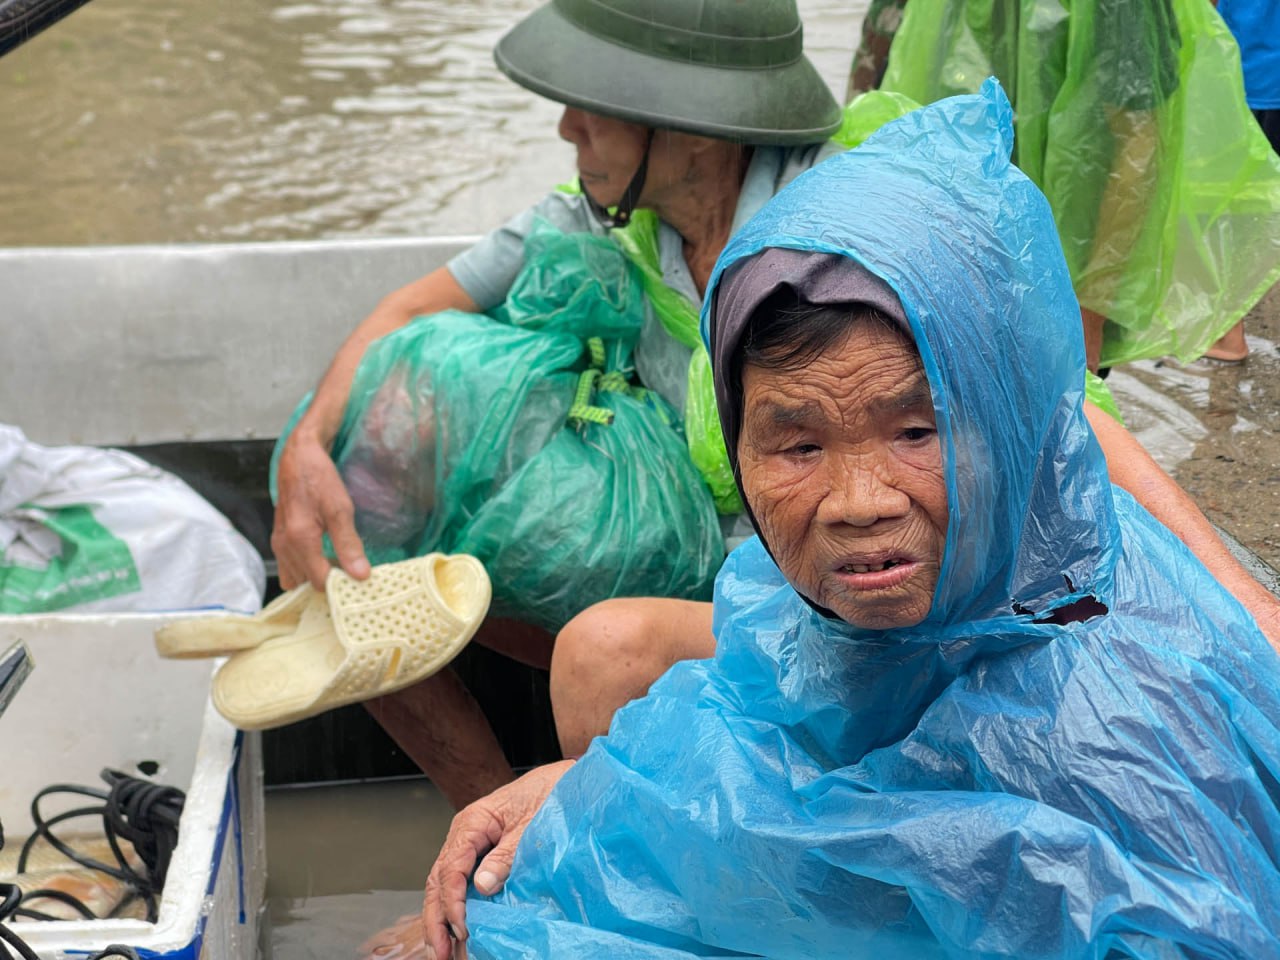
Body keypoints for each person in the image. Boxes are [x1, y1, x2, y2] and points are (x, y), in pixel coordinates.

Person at [275, 0, 1280, 810]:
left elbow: (1062, 409)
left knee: (601, 651)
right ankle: (493, 820)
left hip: (870, 596)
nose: (566, 130)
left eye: (594, 109)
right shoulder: (599, 216)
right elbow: (412, 312)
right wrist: (310, 457)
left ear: (693, 132)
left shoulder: (843, 217)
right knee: (353, 522)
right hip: (745, 574)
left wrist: (1250, 612)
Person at [420, 82, 1280, 960]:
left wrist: (1249, 602)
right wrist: (593, 787)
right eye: (795, 448)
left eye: (917, 430)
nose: (859, 500)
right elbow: (773, 727)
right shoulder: (804, 607)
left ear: (1008, 428)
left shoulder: (1111, 723)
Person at [876, 0, 1280, 373]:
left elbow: (1139, 142)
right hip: (965, 266)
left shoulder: (1119, 8)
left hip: (1063, 274)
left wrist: (1089, 313)